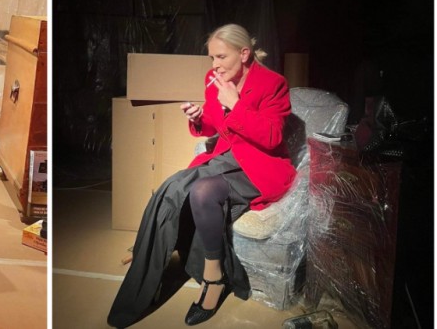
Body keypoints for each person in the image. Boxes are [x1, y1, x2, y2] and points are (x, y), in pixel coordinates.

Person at [107, 24, 296, 327]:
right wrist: (198, 118)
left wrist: (236, 104)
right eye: (211, 58)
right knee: (170, 188)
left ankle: (214, 278)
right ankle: (149, 258)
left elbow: (272, 137)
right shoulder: (214, 79)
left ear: (243, 53)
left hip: (260, 166)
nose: (214, 65)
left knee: (201, 191)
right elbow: (212, 125)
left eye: (221, 57)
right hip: (226, 157)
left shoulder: (273, 83)